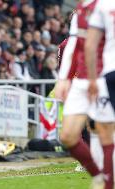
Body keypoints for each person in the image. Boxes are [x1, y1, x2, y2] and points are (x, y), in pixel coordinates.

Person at [55, 1, 112, 188]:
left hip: (103, 77)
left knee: (103, 133)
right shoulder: (81, 9)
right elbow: (73, 43)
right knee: (68, 135)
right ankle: (99, 176)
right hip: (80, 81)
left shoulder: (107, 6)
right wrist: (63, 77)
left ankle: (106, 182)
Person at [85, 0, 115, 188]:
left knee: (106, 128)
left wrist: (93, 78)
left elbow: (90, 46)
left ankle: (107, 180)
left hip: (111, 71)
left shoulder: (103, 6)